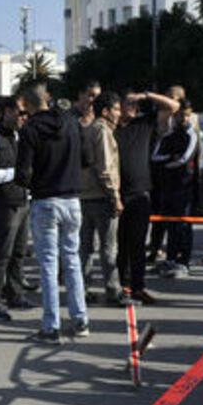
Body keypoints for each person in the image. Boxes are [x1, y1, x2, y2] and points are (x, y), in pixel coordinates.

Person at [17, 84, 89, 342]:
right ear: (48, 97)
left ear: (25, 103)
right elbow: (87, 158)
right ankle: (80, 320)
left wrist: (34, 181)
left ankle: (51, 326)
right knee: (72, 261)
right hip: (72, 200)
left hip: (45, 200)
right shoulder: (71, 122)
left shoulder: (30, 129)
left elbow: (22, 173)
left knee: (48, 264)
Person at [116, 89, 180, 305]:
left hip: (140, 194)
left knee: (137, 244)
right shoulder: (110, 128)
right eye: (127, 104)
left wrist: (145, 96)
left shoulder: (144, 124)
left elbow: (173, 107)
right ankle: (121, 285)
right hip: (115, 195)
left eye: (135, 105)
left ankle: (138, 286)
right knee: (119, 245)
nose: (132, 108)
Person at [0, 96, 33, 321]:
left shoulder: (19, 136)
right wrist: (15, 173)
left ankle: (15, 293)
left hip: (22, 201)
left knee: (19, 252)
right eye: (19, 112)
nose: (23, 117)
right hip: (3, 205)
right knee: (1, 254)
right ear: (5, 113)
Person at [79, 92, 122, 304]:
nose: (119, 114)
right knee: (108, 248)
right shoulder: (102, 131)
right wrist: (115, 196)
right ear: (106, 112)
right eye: (116, 109)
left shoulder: (87, 129)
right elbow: (105, 167)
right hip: (102, 197)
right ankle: (113, 291)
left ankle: (83, 289)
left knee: (85, 248)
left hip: (84, 196)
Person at [150, 100, 199, 279]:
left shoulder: (192, 135)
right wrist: (170, 158)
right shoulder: (168, 136)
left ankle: (183, 262)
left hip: (185, 187)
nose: (183, 119)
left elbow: (184, 159)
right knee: (170, 224)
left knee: (184, 225)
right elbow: (155, 157)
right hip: (168, 186)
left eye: (186, 115)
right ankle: (170, 259)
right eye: (180, 115)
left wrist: (169, 162)